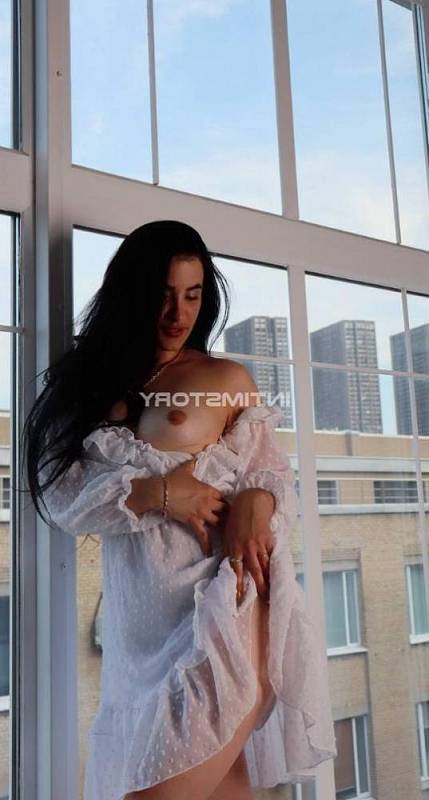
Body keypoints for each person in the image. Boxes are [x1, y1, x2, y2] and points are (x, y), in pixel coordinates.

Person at [22, 220, 337, 800]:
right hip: (137, 636)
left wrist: (256, 501)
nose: (178, 313)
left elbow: (269, 471)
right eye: (163, 294)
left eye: (192, 295)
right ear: (131, 294)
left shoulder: (224, 378)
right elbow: (60, 496)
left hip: (220, 609)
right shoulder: (88, 384)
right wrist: (161, 493)